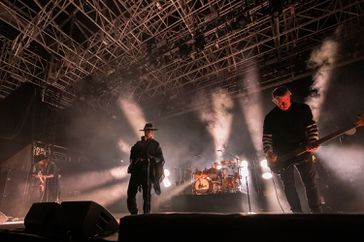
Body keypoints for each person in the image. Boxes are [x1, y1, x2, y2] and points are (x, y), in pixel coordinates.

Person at [262, 86, 323, 213]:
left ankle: (316, 211)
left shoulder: (303, 109)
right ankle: (296, 212)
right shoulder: (270, 117)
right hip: (282, 155)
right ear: (274, 100)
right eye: (278, 102)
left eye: (284, 101)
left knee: (310, 182)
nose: (282, 105)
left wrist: (313, 141)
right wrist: (269, 152)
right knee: (289, 186)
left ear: (289, 95)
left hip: (303, 150)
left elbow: (311, 127)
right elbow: (267, 139)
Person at [127, 123, 165, 214]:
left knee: (146, 195)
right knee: (131, 193)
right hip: (136, 171)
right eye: (146, 130)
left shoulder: (156, 144)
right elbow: (132, 154)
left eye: (149, 131)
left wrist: (151, 158)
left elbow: (160, 159)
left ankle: (146, 215)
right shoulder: (138, 143)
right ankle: (133, 212)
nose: (148, 132)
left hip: (147, 171)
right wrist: (139, 147)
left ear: (152, 133)